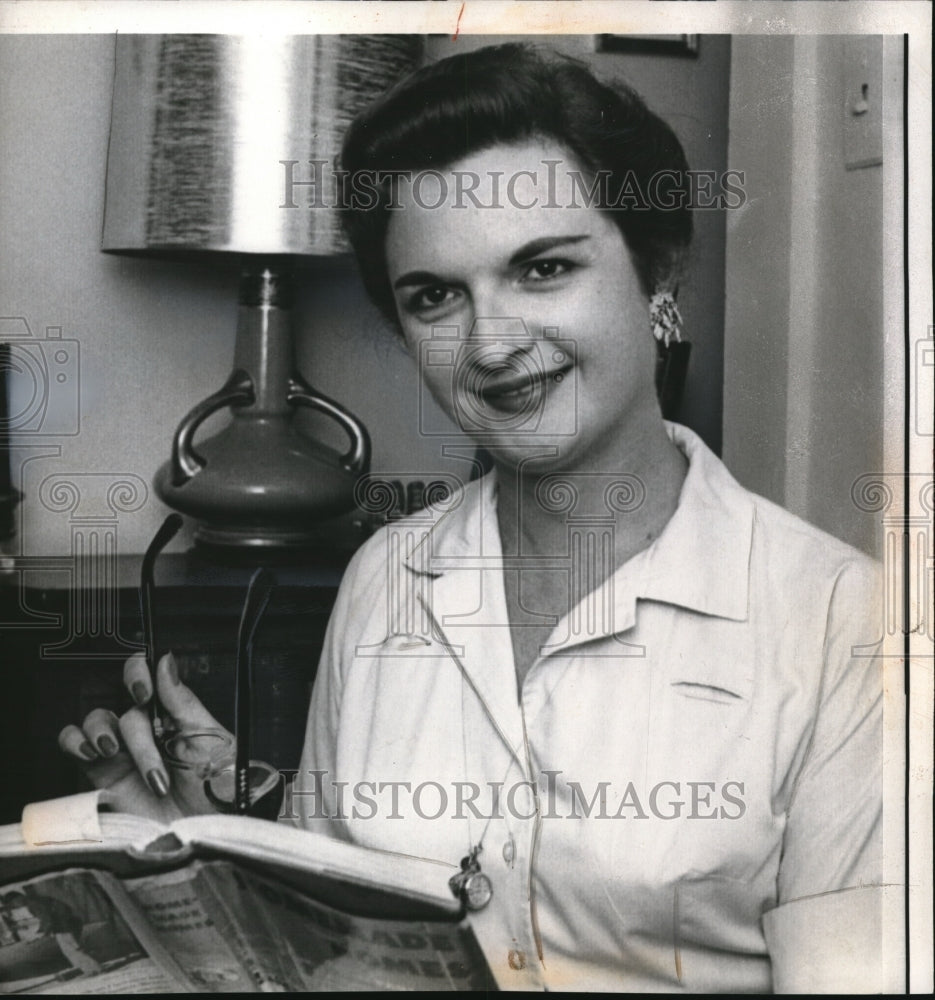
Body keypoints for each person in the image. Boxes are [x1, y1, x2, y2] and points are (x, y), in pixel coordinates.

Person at [59, 44, 885, 992]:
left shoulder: (841, 628)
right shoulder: (385, 575)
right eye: (435, 296)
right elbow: (325, 946)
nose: (491, 343)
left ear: (657, 268)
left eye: (543, 268)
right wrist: (213, 837)